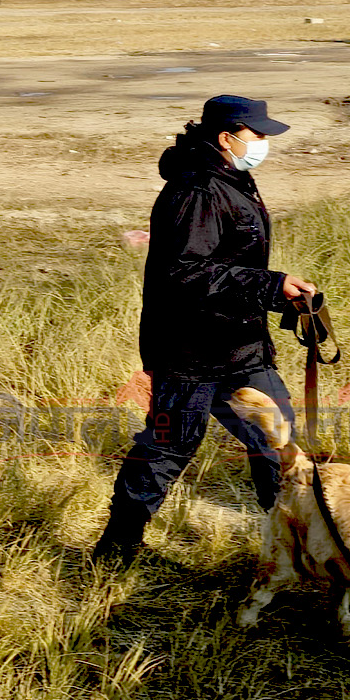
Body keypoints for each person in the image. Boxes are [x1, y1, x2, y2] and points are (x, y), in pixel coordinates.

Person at [91, 95, 317, 569]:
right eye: (258, 135)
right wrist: (271, 285)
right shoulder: (196, 191)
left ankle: (288, 553)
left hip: (240, 345)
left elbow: (226, 263)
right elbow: (186, 274)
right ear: (226, 137)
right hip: (189, 351)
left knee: (277, 443)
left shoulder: (232, 178)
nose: (265, 143)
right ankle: (115, 551)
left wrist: (278, 292)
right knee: (168, 449)